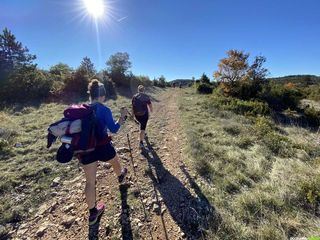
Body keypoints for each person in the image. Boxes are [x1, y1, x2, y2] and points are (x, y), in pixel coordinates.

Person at [80, 79, 128, 226]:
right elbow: (114, 129)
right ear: (102, 96)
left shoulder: (82, 108)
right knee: (115, 161)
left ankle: (93, 213)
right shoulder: (105, 110)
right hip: (103, 146)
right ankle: (120, 176)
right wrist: (122, 117)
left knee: (90, 182)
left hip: (87, 149)